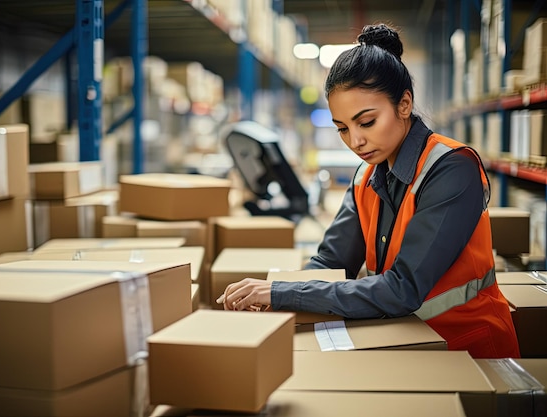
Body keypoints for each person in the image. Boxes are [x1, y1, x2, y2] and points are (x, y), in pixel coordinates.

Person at [219, 23, 520, 359]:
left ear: (404, 104)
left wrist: (282, 294)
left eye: (366, 122)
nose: (355, 141)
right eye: (342, 129)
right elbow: (332, 262)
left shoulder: (452, 168)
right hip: (404, 341)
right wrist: (278, 298)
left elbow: (403, 289)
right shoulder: (366, 176)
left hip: (468, 349)